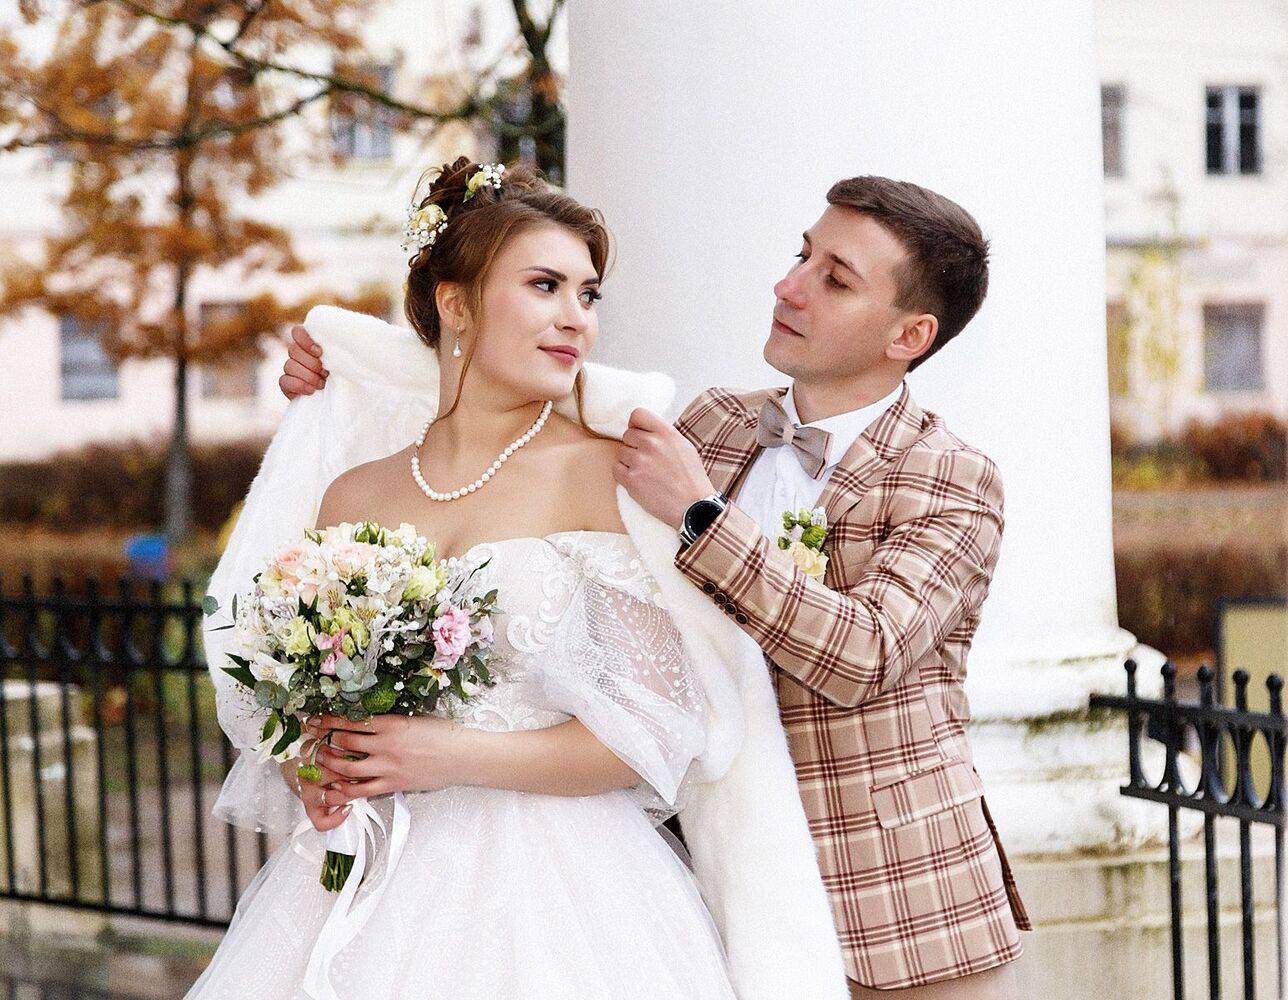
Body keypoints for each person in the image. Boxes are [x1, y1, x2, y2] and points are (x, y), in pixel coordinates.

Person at [283, 175, 1030, 998]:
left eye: (835, 279)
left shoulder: (951, 478)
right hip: (705, 882)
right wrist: (341, 370)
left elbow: (865, 654)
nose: (790, 286)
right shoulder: (712, 425)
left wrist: (701, 516)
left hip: (893, 913)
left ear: (909, 334)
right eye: (802, 256)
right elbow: (513, 386)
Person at [194, 158, 846, 1000]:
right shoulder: (355, 493)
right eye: (545, 286)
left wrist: (451, 753)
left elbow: (647, 736)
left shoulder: (609, 472)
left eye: (588, 294)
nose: (577, 319)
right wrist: (317, 768)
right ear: (456, 304)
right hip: (371, 880)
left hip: (556, 897)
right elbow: (303, 705)